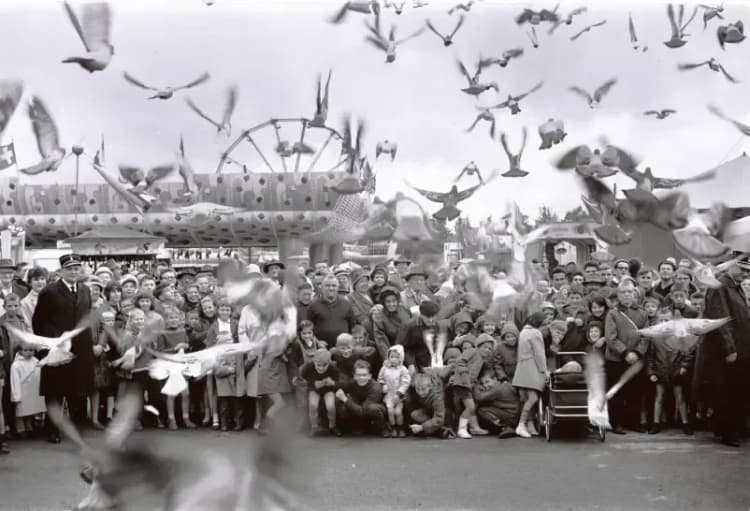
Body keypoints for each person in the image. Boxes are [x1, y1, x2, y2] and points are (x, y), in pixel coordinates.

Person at [32, 254, 94, 442]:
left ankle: (72, 427)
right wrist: (48, 346)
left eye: (77, 268)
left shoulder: (85, 290)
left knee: (75, 389)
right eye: (69, 268)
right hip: (56, 348)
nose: (74, 272)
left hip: (79, 349)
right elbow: (39, 321)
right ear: (61, 271)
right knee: (55, 391)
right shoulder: (49, 292)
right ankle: (52, 429)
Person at [698, 256, 750, 447]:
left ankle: (728, 428)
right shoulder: (719, 286)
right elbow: (721, 319)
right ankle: (729, 431)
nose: (746, 273)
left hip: (741, 347)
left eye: (748, 271)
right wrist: (730, 348)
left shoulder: (735, 286)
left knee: (736, 389)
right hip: (728, 350)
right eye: (743, 269)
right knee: (729, 391)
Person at [604, 280, 649, 434]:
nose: (627, 295)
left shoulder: (642, 313)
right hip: (616, 360)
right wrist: (624, 353)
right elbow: (611, 337)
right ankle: (615, 423)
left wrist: (637, 353)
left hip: (636, 360)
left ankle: (633, 422)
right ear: (618, 294)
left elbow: (646, 336)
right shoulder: (613, 313)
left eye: (630, 292)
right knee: (617, 392)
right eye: (623, 292)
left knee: (635, 392)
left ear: (634, 293)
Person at [647, 308, 695, 436]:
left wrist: (684, 366)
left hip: (676, 371)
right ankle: (656, 423)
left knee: (680, 397)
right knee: (659, 397)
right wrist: (651, 372)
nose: (664, 323)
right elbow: (650, 357)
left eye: (667, 320)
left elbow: (688, 353)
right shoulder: (655, 337)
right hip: (660, 371)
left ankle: (685, 423)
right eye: (661, 320)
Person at [512, 311, 549, 438]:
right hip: (531, 367)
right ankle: (521, 425)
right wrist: (544, 371)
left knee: (525, 399)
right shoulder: (535, 333)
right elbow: (539, 354)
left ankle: (529, 425)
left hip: (522, 367)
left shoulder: (523, 332)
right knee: (533, 398)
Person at [335, 360, 389, 437]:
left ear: (370, 376)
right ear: (354, 375)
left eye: (364, 375)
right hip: (359, 409)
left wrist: (345, 400)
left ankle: (382, 428)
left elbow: (363, 411)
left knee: (372, 408)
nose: (361, 377)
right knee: (340, 404)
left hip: (372, 411)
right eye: (358, 375)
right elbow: (340, 388)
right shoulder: (353, 382)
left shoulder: (375, 388)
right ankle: (351, 427)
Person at [307, 273, 356, 346]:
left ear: (337, 287)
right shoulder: (313, 305)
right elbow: (307, 329)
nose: (331, 288)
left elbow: (352, 326)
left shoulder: (346, 304)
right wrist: (317, 342)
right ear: (322, 288)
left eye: (334, 286)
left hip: (342, 349)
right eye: (327, 286)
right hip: (321, 348)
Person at [300, 349, 340, 436]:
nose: (321, 368)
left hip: (328, 390)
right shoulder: (309, 367)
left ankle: (332, 426)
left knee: (330, 406)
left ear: (329, 362)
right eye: (318, 365)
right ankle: (314, 427)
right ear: (314, 361)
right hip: (313, 389)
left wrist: (332, 383)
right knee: (313, 405)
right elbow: (302, 380)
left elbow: (338, 383)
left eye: (324, 365)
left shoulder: (333, 368)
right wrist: (313, 383)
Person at [10, 342, 45, 437]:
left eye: (31, 350)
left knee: (30, 410)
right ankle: (20, 428)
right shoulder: (16, 365)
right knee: (21, 411)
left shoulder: (36, 361)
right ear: (20, 351)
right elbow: (14, 381)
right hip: (22, 391)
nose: (28, 352)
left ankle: (29, 426)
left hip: (32, 390)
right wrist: (16, 396)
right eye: (25, 350)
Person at [474, 369, 520, 439]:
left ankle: (504, 427)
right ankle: (505, 428)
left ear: (495, 379)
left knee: (482, 410)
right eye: (482, 383)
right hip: (513, 414)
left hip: (510, 416)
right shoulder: (503, 385)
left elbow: (478, 397)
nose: (485, 385)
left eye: (487, 382)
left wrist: (476, 385)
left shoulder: (497, 389)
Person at [377, 345, 411, 437]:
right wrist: (383, 385)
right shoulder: (384, 368)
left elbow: (406, 382)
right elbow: (380, 378)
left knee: (398, 412)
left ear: (401, 358)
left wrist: (399, 393)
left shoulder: (403, 369)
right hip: (389, 394)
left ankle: (401, 427)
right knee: (390, 412)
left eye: (397, 357)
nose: (394, 359)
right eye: (392, 357)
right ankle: (393, 428)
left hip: (399, 395)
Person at [408, 372, 446, 438]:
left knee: (439, 422)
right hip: (429, 412)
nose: (420, 392)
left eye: (423, 389)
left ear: (430, 386)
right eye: (418, 389)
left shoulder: (437, 397)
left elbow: (439, 419)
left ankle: (441, 429)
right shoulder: (414, 389)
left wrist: (422, 427)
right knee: (415, 414)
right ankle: (432, 430)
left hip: (443, 415)